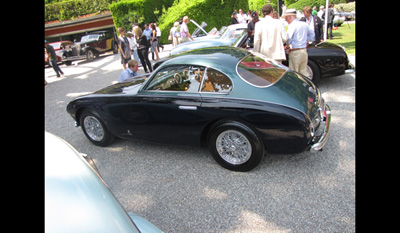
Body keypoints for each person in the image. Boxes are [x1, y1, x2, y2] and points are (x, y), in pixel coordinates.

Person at [282, 9, 315, 76]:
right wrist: (305, 39)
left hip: (295, 52)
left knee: (295, 73)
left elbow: (288, 37)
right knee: (303, 73)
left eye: (286, 18)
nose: (286, 20)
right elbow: (312, 35)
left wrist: (288, 45)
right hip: (303, 50)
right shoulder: (304, 24)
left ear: (290, 17)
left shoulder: (292, 25)